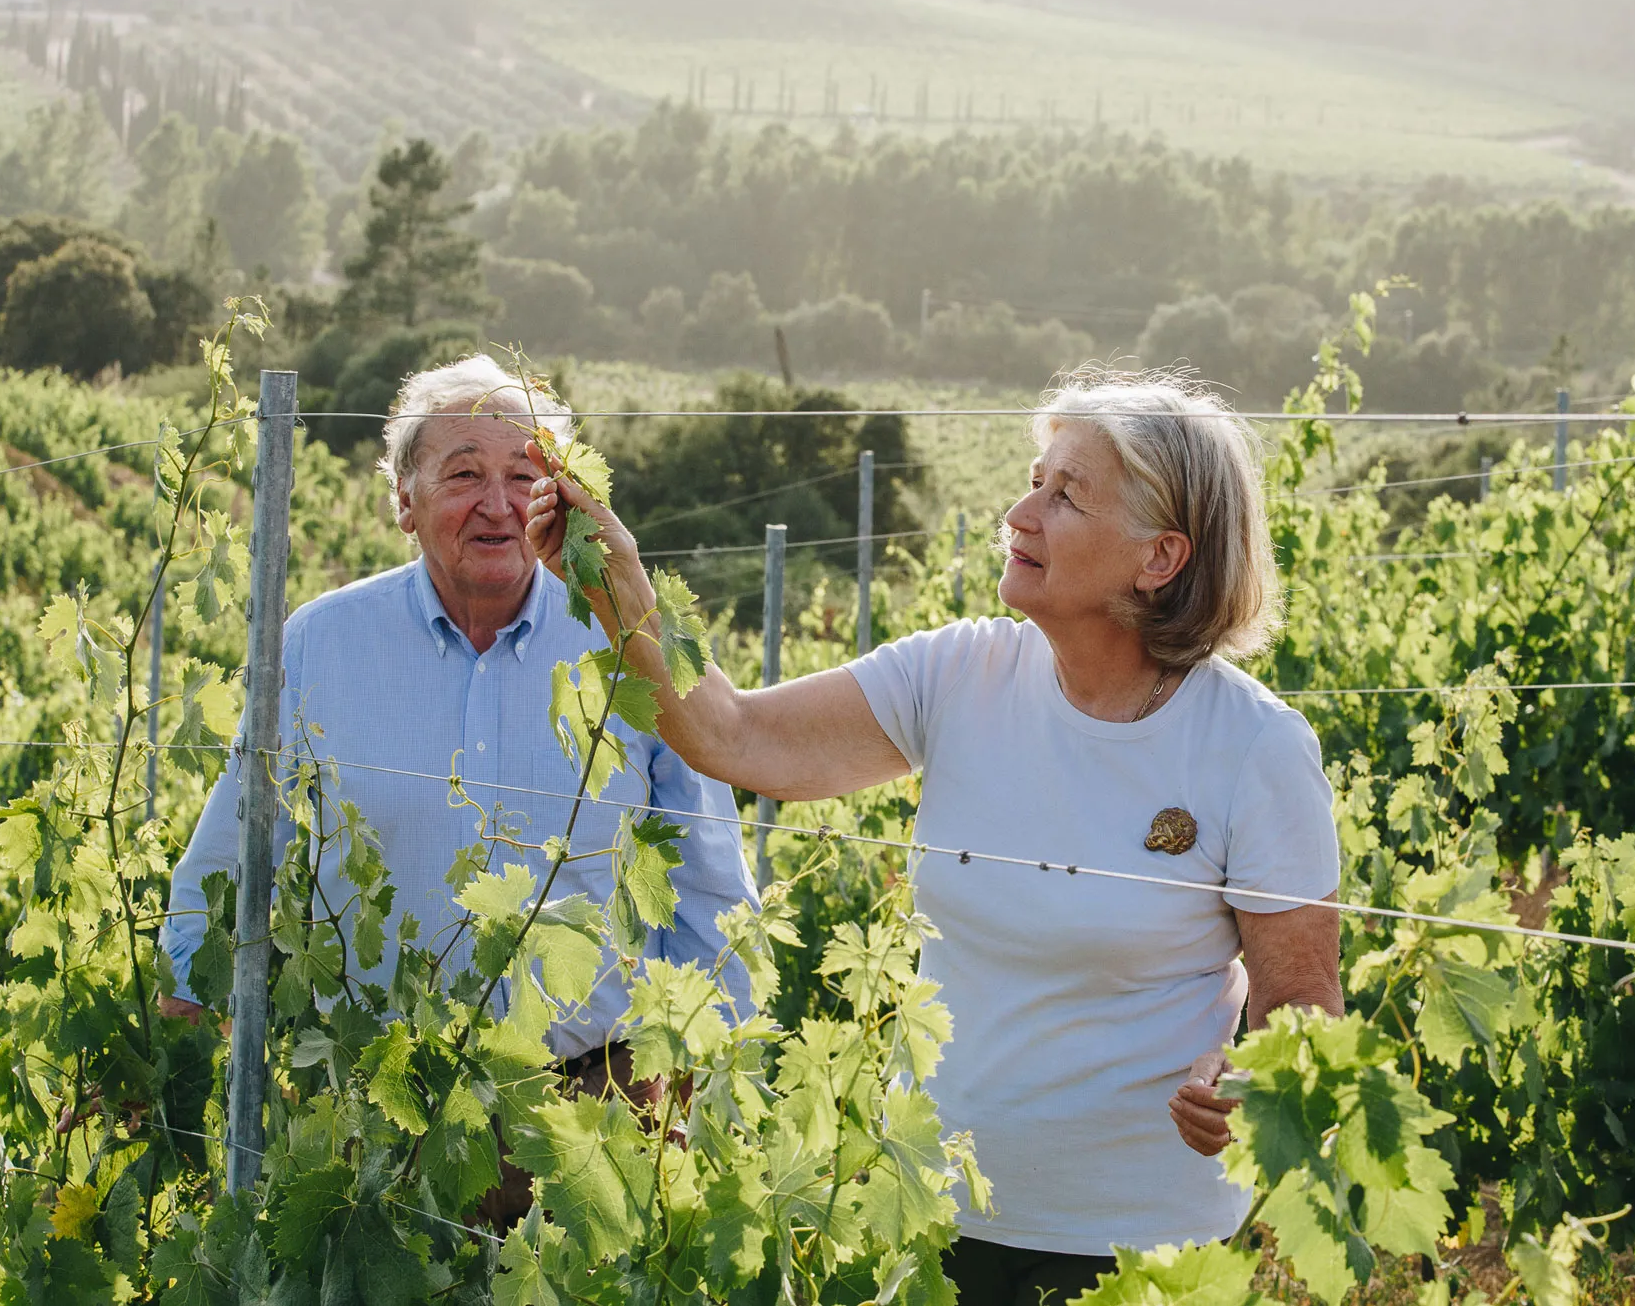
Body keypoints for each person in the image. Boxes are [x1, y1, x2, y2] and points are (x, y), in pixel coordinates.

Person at [523, 366, 1344, 1306]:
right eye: (1036, 479)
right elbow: (733, 735)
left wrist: (1247, 1078)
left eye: (1065, 495)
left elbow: (1304, 1009)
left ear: (1160, 558)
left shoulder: (1254, 747)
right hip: (941, 1217)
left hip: (1145, 1246)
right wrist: (616, 576)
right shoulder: (959, 674)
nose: (1020, 512)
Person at [162, 355, 759, 1096]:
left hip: (596, 1108)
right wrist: (167, 1064)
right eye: (465, 474)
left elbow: (709, 889)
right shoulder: (318, 646)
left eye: (523, 476)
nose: (500, 505)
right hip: (373, 1110)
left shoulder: (633, 642)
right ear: (404, 500)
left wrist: (701, 1089)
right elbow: (226, 866)